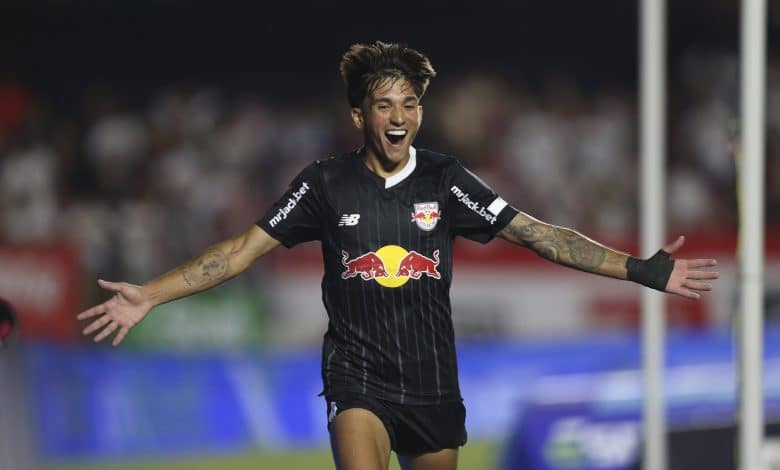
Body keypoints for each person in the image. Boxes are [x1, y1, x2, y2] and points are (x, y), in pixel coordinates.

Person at [77, 41, 719, 470]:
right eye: (384, 103)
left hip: (433, 382)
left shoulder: (446, 179)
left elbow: (536, 234)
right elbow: (240, 252)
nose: (399, 115)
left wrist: (640, 268)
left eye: (409, 103)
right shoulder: (324, 183)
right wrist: (149, 294)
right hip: (357, 377)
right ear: (360, 115)